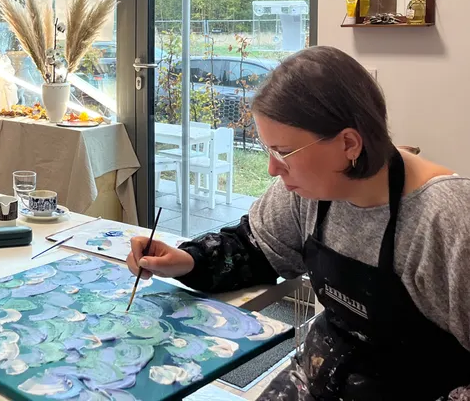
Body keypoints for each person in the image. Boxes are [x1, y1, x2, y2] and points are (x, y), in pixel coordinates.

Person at [127, 46, 470, 400]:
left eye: (283, 152)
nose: (273, 169)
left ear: (349, 143)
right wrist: (189, 261)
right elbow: (255, 248)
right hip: (320, 375)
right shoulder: (304, 192)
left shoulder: (446, 219)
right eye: (268, 151)